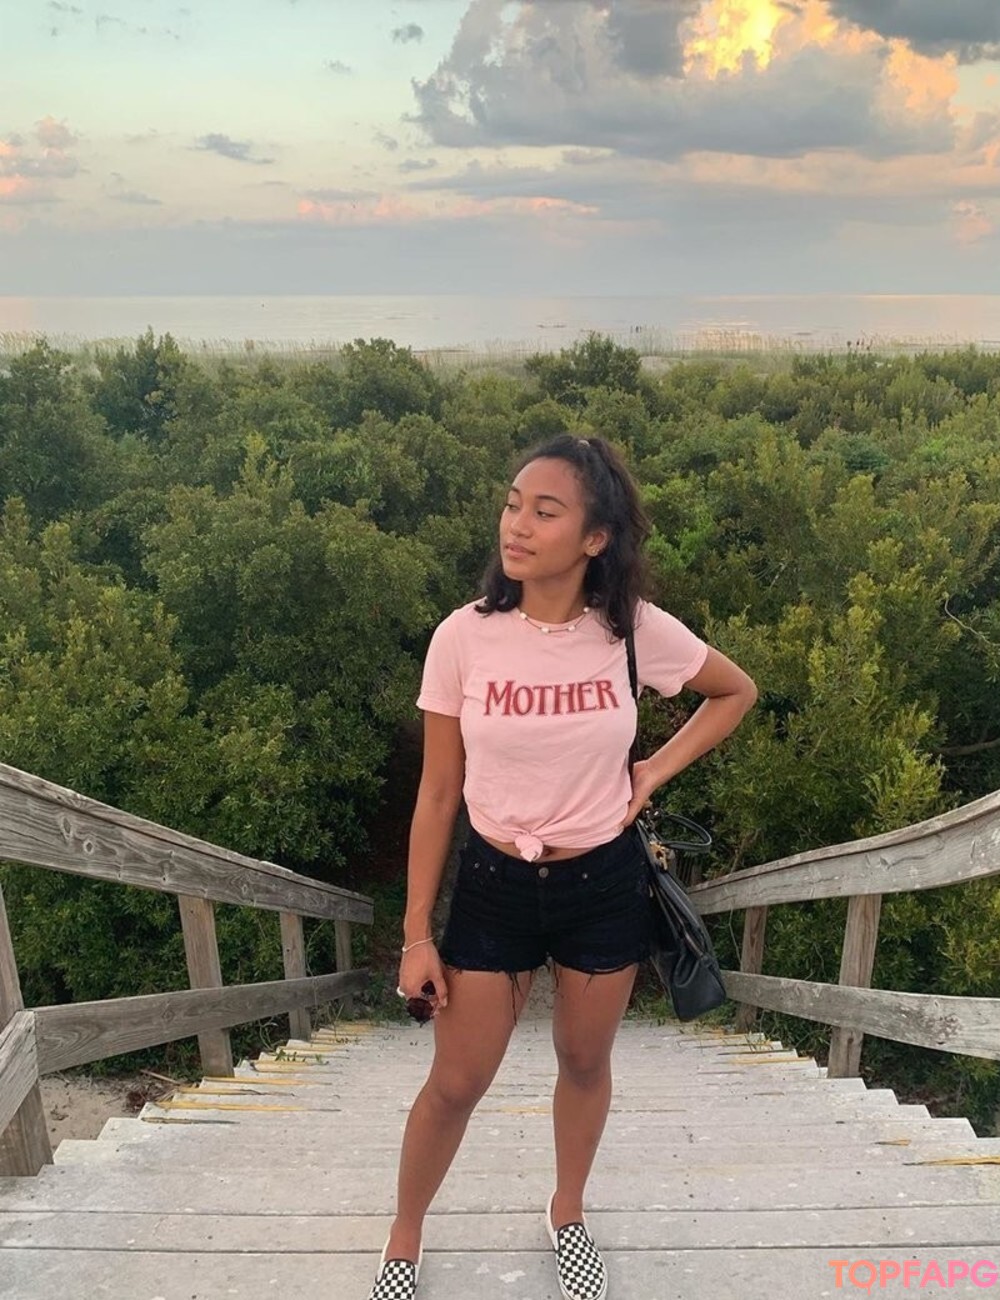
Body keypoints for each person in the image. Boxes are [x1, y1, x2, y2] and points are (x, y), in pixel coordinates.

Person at [367, 433, 758, 1300]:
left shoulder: (633, 631)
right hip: (495, 887)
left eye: (545, 512)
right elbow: (438, 794)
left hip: (602, 884)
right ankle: (404, 1233)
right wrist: (415, 933)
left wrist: (653, 770)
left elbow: (735, 691)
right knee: (457, 1081)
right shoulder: (463, 637)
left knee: (584, 1062)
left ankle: (567, 1211)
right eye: (513, 504)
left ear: (595, 538)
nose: (517, 524)